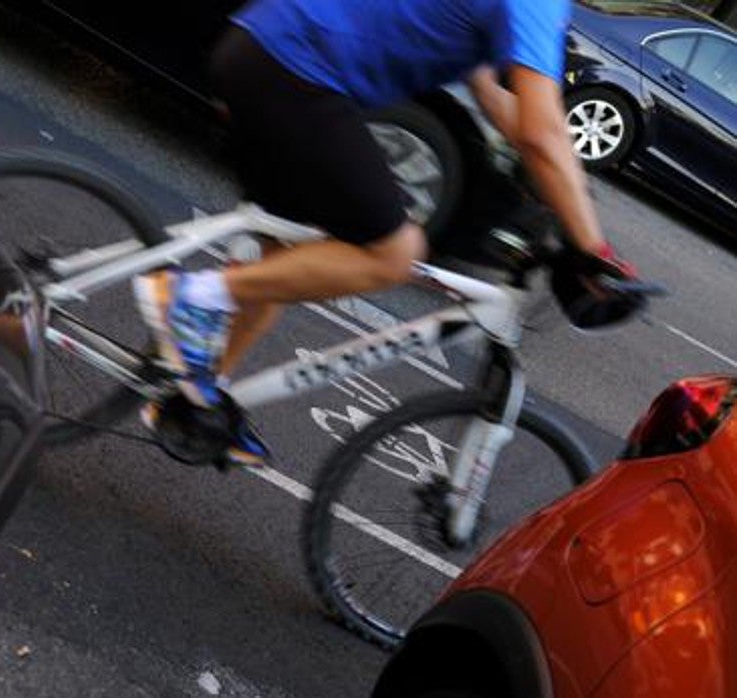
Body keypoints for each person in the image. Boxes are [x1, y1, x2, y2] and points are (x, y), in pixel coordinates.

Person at [135, 0, 638, 467]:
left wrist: (569, 193)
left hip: (265, 50)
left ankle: (195, 400)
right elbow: (541, 130)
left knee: (283, 258)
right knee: (395, 253)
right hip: (295, 73)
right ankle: (192, 298)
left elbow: (498, 102)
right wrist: (595, 250)